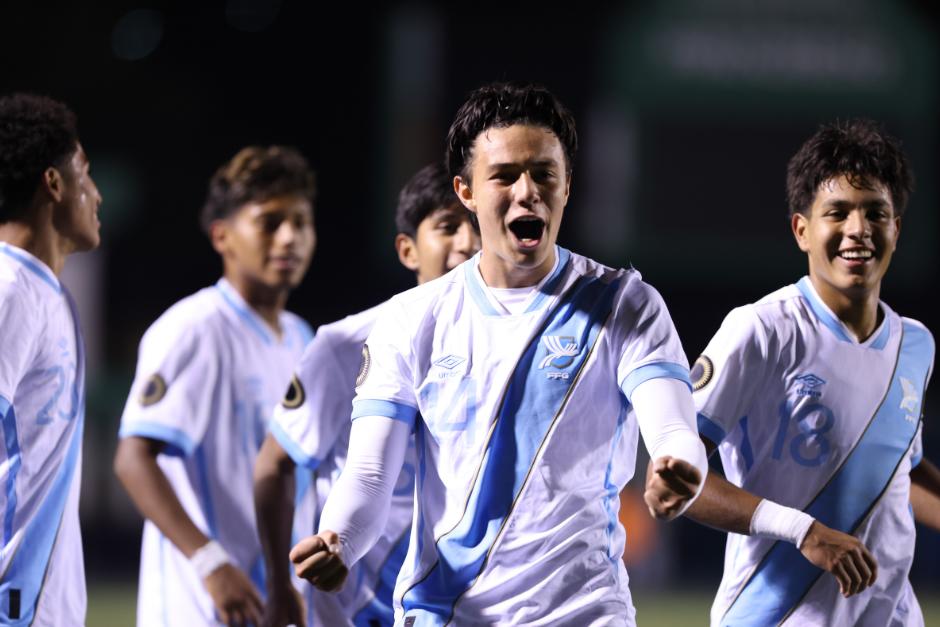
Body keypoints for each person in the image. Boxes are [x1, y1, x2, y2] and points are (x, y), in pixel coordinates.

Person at [289, 81, 708, 625]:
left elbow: (675, 432)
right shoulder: (412, 318)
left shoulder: (625, 304)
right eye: (505, 175)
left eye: (543, 174)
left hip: (583, 612)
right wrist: (340, 540)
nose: (527, 190)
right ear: (466, 191)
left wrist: (680, 467)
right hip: (448, 611)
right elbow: (370, 474)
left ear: (567, 186)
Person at [686, 118, 940, 626]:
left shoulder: (916, 343)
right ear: (802, 229)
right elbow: (676, 478)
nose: (858, 230)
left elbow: (899, 471)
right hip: (776, 616)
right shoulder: (761, 330)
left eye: (875, 213)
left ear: (896, 228)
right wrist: (801, 530)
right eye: (838, 212)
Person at [254, 162, 480, 627]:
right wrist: (280, 584)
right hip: (356, 605)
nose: (468, 243)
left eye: (477, 226)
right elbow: (273, 466)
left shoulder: (505, 348)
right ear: (408, 250)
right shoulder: (345, 345)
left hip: (455, 603)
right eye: (448, 227)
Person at [114, 146, 317, 626]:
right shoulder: (195, 328)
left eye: (301, 222)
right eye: (270, 222)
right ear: (223, 236)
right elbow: (132, 457)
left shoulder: (303, 339)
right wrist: (209, 562)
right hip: (199, 609)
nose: (290, 237)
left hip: (277, 606)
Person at [0, 92, 101, 627]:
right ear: (53, 184)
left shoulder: (49, 294)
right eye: (85, 174)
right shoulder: (8, 287)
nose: (97, 195)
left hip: (44, 606)